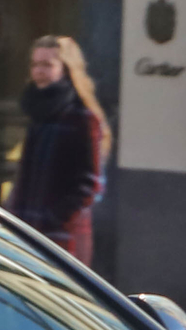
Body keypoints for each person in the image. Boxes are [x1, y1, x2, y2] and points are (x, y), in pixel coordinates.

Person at [7, 35, 111, 264]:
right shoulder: (37, 114)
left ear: (66, 69)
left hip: (62, 239)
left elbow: (91, 185)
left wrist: (54, 219)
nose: (39, 71)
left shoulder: (82, 118)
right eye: (35, 64)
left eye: (47, 65)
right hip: (26, 234)